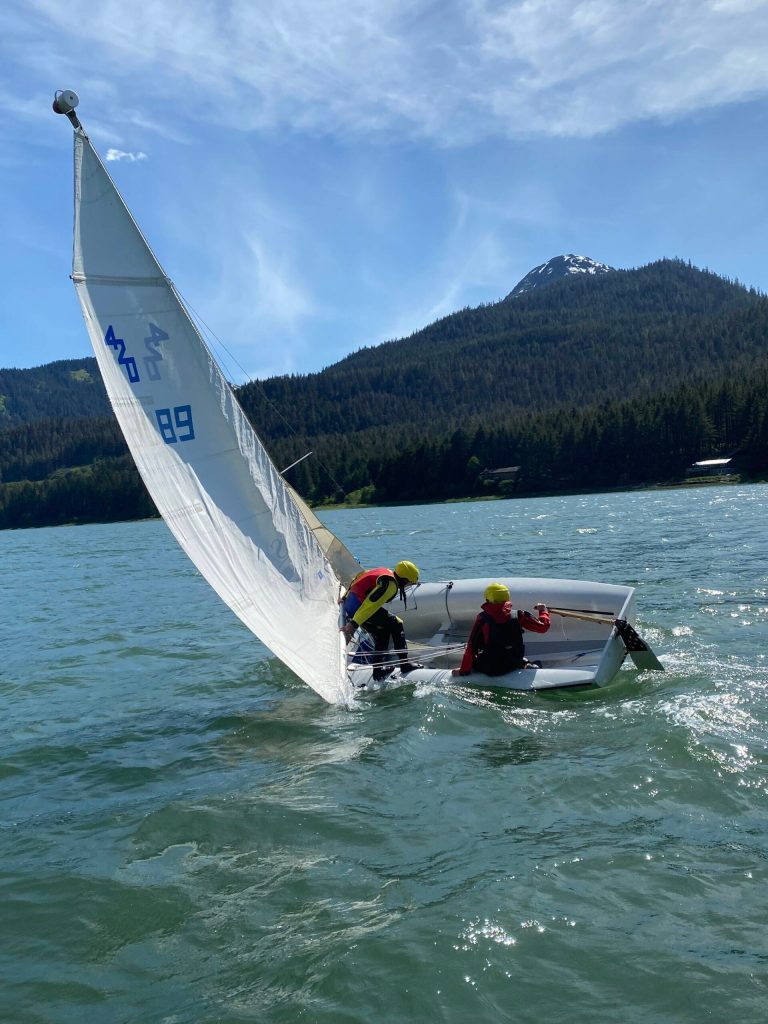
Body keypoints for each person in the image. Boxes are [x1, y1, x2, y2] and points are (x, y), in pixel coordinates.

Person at [341, 560, 422, 680]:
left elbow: (359, 577)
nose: (406, 587)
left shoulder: (385, 571)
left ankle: (378, 670)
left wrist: (345, 597)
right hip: (359, 607)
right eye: (408, 583)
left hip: (351, 604)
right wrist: (353, 625)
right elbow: (371, 604)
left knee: (382, 631)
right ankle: (404, 664)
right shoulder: (391, 585)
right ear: (404, 580)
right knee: (396, 623)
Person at [452, 582, 550, 677]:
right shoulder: (519, 615)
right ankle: (525, 664)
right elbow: (543, 627)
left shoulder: (482, 618)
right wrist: (543, 611)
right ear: (507, 597)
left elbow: (471, 646)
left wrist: (463, 671)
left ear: (487, 599)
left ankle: (472, 668)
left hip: (490, 668)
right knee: (520, 658)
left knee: (479, 658)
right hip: (513, 663)